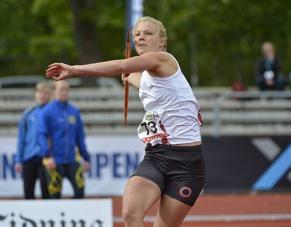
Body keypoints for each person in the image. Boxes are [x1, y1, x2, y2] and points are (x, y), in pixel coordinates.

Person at [46, 16, 205, 227]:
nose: (141, 38)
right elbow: (140, 80)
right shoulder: (148, 75)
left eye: (148, 33)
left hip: (187, 164)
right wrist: (129, 77)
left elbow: (122, 64)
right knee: (130, 213)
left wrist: (75, 70)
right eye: (137, 34)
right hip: (156, 156)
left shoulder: (164, 59)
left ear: (162, 41)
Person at [38, 80, 90, 199]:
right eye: (61, 89)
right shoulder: (47, 111)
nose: (65, 92)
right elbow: (42, 135)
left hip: (73, 161)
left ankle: (75, 217)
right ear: (54, 91)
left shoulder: (74, 111)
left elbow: (80, 137)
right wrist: (47, 156)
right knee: (55, 196)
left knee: (80, 193)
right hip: (54, 161)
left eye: (67, 89)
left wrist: (86, 158)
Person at [15, 81, 52, 199]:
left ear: (50, 95)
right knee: (28, 193)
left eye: (45, 93)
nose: (42, 95)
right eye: (40, 92)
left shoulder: (53, 113)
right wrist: (18, 160)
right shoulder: (28, 114)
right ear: (35, 94)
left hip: (46, 158)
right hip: (29, 157)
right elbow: (22, 138)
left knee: (47, 193)